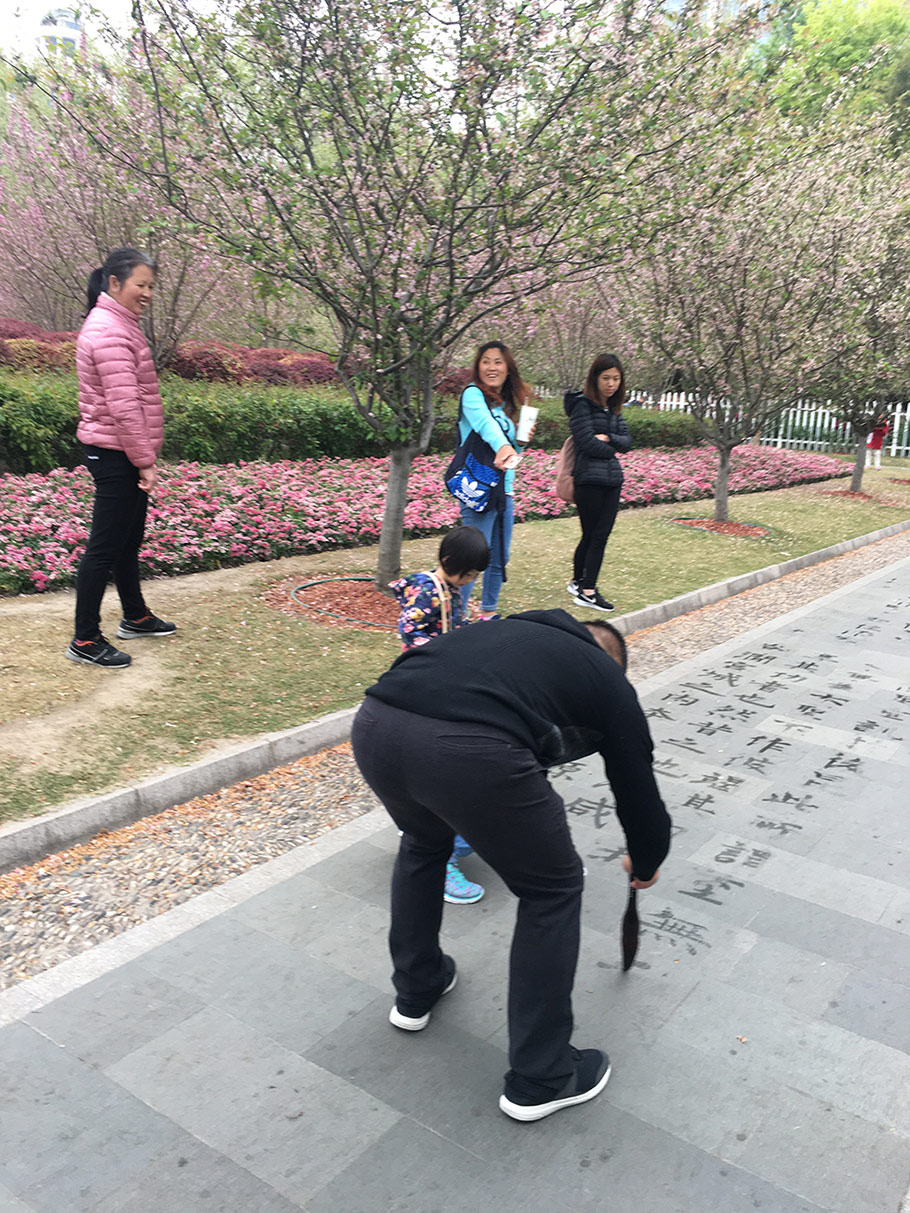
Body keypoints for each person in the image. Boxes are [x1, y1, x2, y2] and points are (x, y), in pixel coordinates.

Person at [351, 608, 671, 1122]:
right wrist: (648, 858)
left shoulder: (505, 632)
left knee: (423, 841)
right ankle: (541, 1076)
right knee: (553, 889)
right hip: (471, 751)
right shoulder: (607, 680)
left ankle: (417, 989)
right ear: (611, 659)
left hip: (375, 724)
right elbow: (637, 788)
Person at [66, 248, 176, 669]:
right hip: (116, 451)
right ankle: (85, 640)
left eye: (151, 286)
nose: (147, 293)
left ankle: (135, 615)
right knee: (105, 547)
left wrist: (142, 455)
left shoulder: (119, 324)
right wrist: (145, 459)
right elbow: (125, 406)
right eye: (140, 285)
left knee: (128, 539)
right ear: (114, 283)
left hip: (121, 448)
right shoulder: (110, 331)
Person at [390, 526, 491, 905]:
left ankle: (423, 835)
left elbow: (454, 626)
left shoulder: (451, 590)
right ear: (449, 563)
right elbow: (411, 631)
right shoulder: (429, 591)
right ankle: (440, 857)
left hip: (442, 681)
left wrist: (479, 631)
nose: (470, 582)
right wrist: (443, 648)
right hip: (426, 683)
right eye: (468, 575)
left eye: (474, 577)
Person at [455, 341, 533, 620]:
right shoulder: (473, 395)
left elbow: (511, 453)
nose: (492, 367)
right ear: (478, 366)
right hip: (478, 487)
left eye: (498, 361)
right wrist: (503, 445)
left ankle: (488, 615)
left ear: (508, 368)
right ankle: (456, 619)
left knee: (500, 557)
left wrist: (520, 442)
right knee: (472, 557)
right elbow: (486, 428)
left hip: (504, 489)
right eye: (486, 361)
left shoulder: (504, 407)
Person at [564, 354, 632, 614]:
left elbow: (627, 441)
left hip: (612, 481)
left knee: (592, 535)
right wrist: (610, 447)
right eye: (606, 378)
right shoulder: (582, 405)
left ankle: (579, 582)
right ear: (595, 378)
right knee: (597, 535)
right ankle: (588, 592)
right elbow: (585, 442)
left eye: (616, 378)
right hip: (589, 480)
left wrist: (609, 438)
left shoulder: (613, 408)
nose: (611, 383)